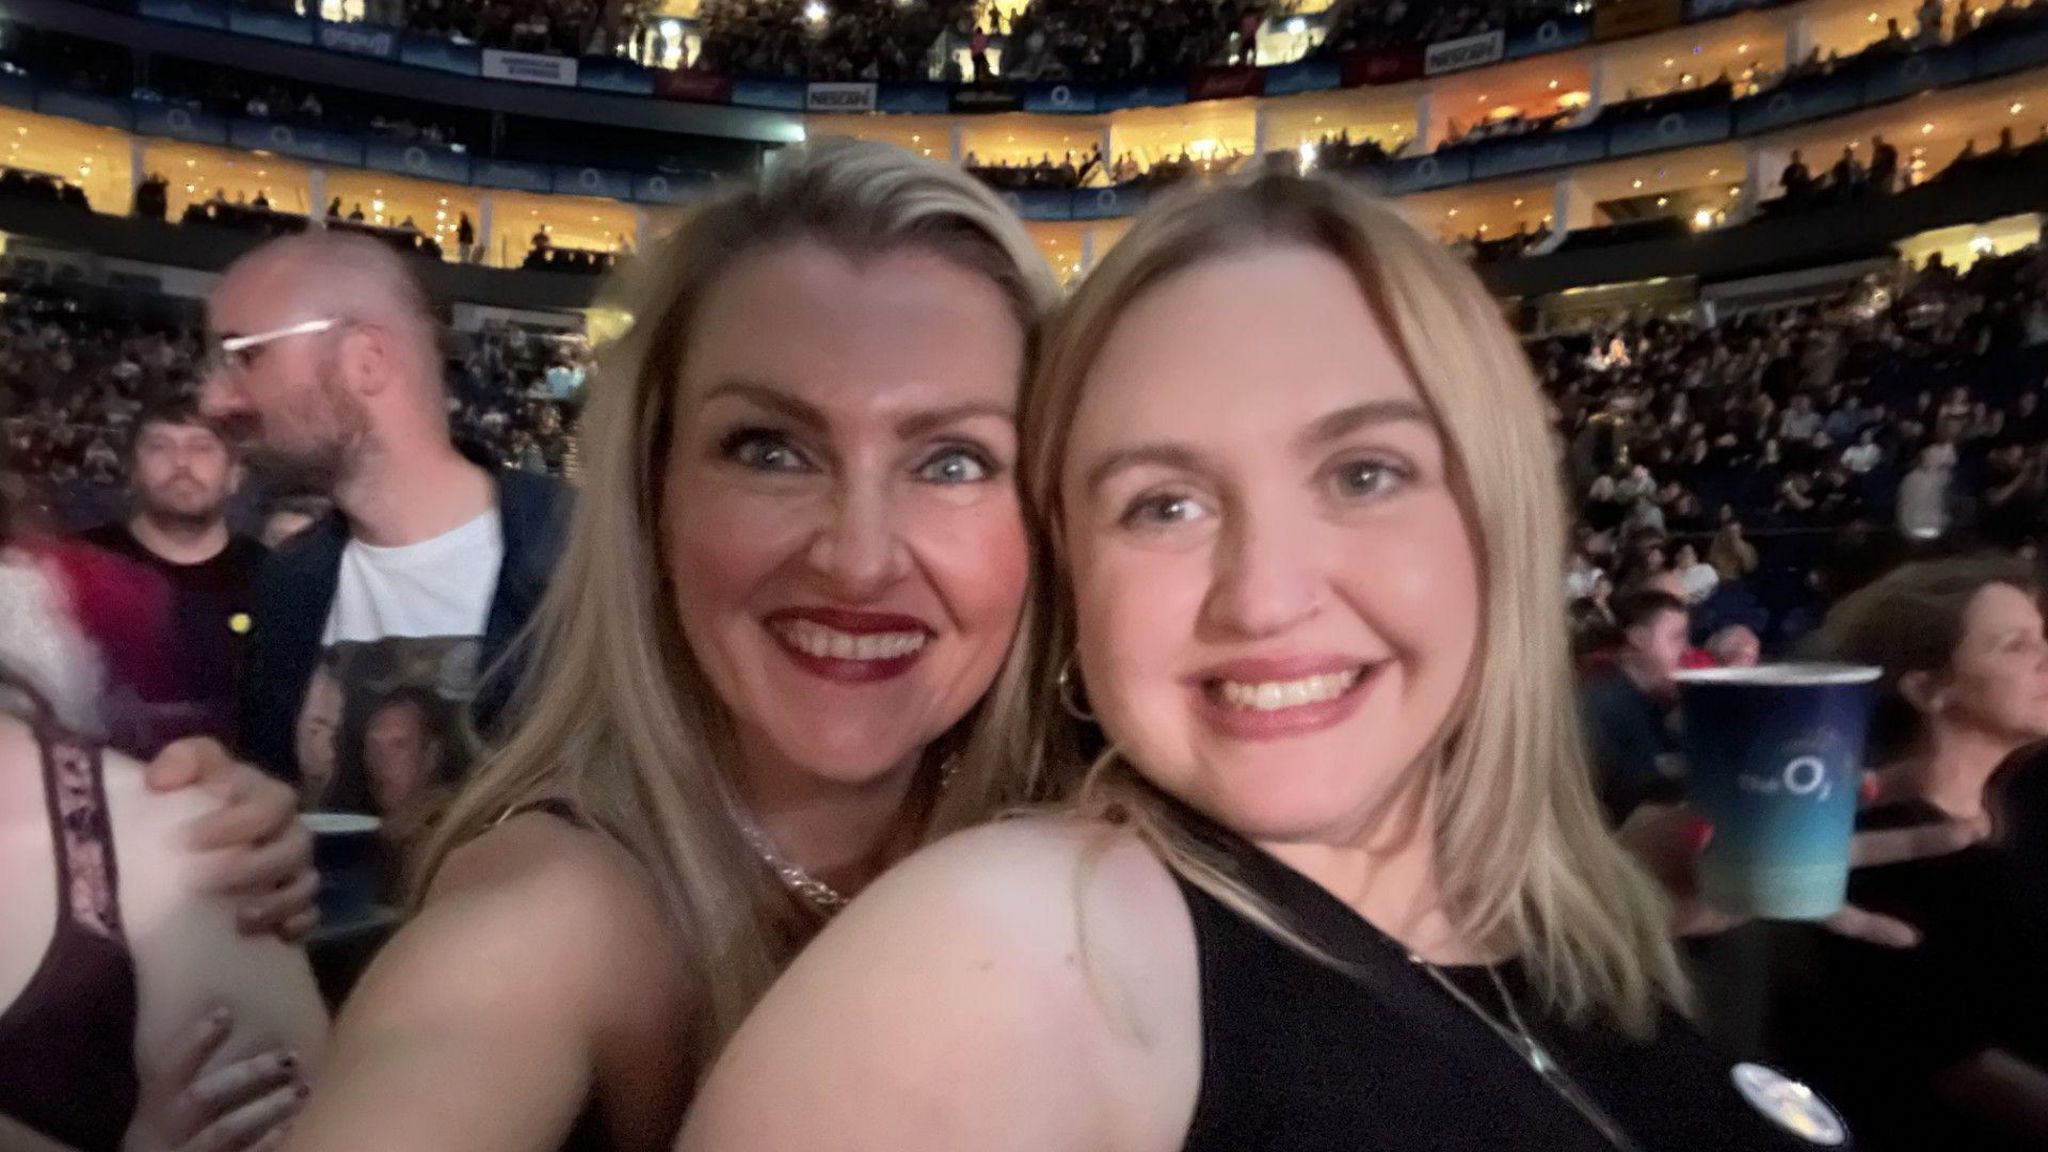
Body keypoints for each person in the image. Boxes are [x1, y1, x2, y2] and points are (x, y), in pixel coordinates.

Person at [681, 173, 1843, 1152]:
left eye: (1362, 475)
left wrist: (1615, 896)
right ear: (1073, 582)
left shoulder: (1572, 923)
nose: (1263, 595)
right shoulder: (1017, 950)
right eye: (1163, 503)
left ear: (1496, 521)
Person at [279, 142, 1059, 1151]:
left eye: (952, 461)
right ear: (654, 496)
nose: (857, 561)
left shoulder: (1108, 843)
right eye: (769, 450)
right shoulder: (548, 916)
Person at [197, 232, 572, 823]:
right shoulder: (289, 582)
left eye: (244, 356)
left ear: (365, 361)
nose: (214, 400)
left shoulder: (589, 558)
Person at [1785, 557, 2048, 1150]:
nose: (2045, 657)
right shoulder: (1871, 852)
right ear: (1928, 688)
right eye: (2015, 646)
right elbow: (1961, 1068)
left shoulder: (2026, 797)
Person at [78, 398, 267, 749]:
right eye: (159, 446)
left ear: (235, 476)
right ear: (132, 472)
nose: (181, 463)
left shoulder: (277, 581)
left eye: (202, 447)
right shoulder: (78, 571)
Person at [1581, 589, 1690, 823]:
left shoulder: (1663, 706)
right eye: (1675, 637)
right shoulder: (1600, 707)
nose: (1685, 650)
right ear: (1638, 638)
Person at [1898, 446, 1952, 541]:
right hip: (1926, 526)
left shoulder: (1909, 478)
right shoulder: (1939, 479)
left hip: (1913, 526)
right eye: (1936, 459)